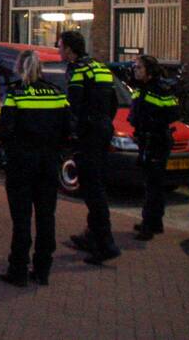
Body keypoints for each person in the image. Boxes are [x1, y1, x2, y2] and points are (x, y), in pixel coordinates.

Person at [0, 50, 71, 287]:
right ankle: (42, 269)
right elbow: (68, 129)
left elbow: (5, 132)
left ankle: (18, 269)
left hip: (21, 164)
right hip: (48, 164)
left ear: (20, 68)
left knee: (22, 219)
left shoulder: (16, 94)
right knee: (46, 216)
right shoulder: (57, 94)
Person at [58, 30, 121, 265]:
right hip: (103, 131)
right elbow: (113, 102)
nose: (58, 50)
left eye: (60, 46)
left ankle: (105, 244)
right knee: (96, 185)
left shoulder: (77, 71)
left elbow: (73, 107)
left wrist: (70, 133)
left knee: (93, 189)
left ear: (69, 50)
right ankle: (91, 234)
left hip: (88, 135)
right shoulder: (101, 68)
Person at [128, 55, 179, 241]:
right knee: (151, 184)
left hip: (156, 141)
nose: (136, 70)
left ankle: (149, 225)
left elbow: (172, 113)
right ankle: (153, 222)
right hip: (145, 140)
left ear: (149, 71)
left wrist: (152, 123)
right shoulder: (140, 88)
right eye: (135, 67)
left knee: (154, 185)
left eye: (139, 67)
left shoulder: (159, 89)